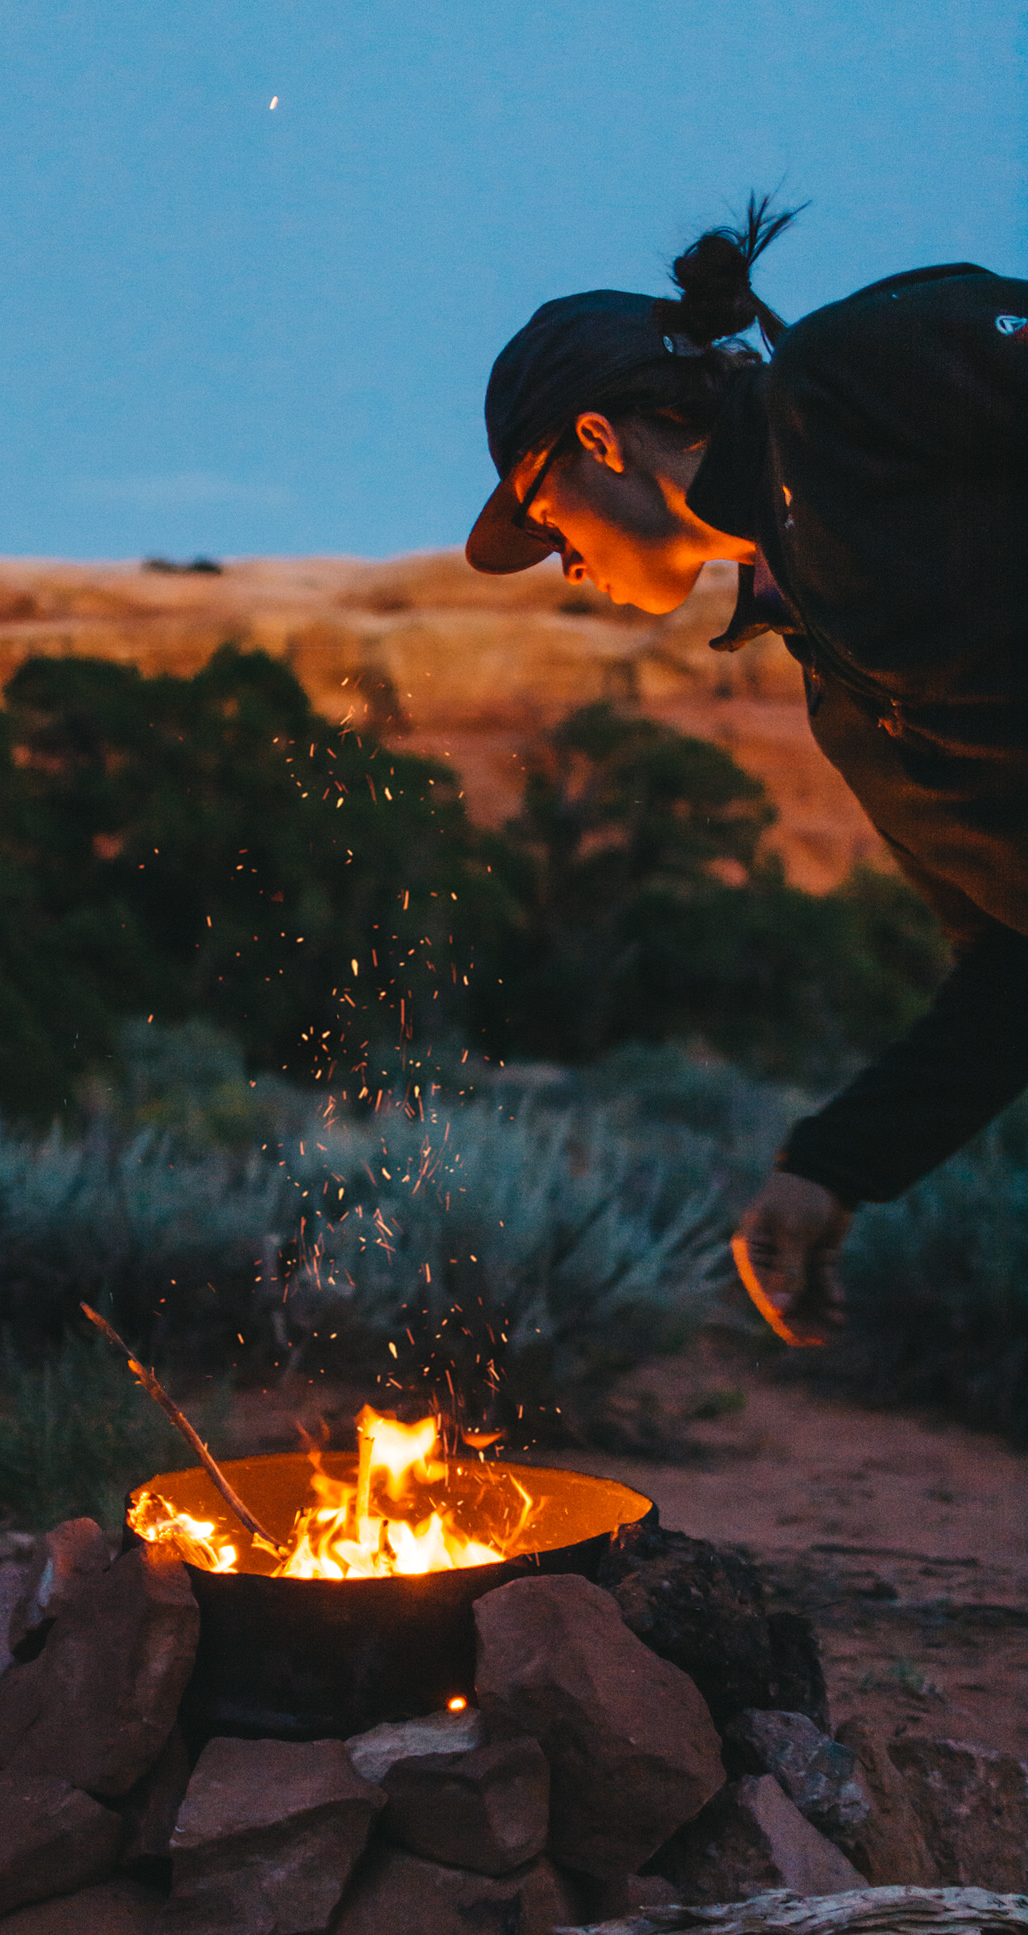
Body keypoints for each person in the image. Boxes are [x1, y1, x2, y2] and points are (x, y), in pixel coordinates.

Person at [465, 199, 1028, 1348]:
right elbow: (1014, 965)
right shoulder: (842, 700)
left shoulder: (843, 381)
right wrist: (831, 1164)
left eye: (543, 520)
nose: (564, 567)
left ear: (598, 440)